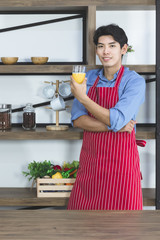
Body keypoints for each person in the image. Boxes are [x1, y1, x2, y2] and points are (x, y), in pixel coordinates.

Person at [67, 24, 146, 210]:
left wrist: (83, 98)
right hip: (91, 166)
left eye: (112, 45)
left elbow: (116, 118)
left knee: (124, 227)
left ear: (123, 49)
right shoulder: (87, 77)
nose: (105, 51)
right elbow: (78, 120)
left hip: (122, 168)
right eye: (101, 46)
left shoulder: (134, 81)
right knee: (82, 225)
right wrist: (116, 126)